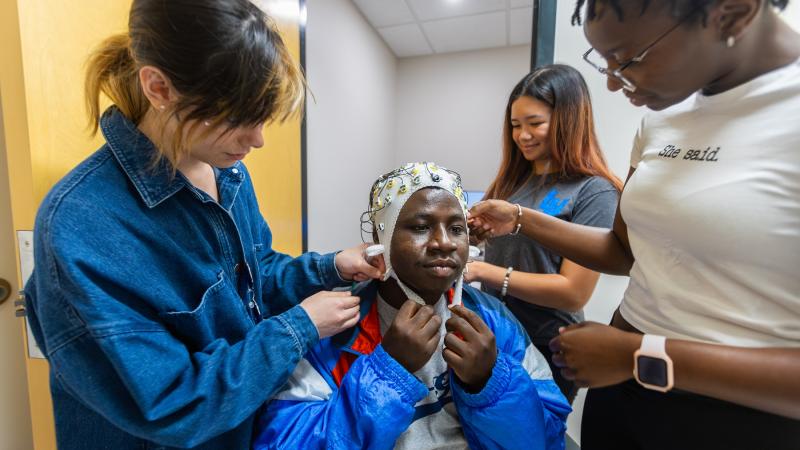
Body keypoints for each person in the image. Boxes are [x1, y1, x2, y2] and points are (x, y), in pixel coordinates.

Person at [23, 1, 383, 448]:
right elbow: (173, 402)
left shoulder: (225, 170)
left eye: (262, 118)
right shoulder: (80, 229)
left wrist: (330, 267)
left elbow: (255, 277)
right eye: (238, 119)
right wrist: (299, 327)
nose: (258, 140)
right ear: (159, 87)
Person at [468, 0, 800, 448]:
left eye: (628, 59)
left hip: (740, 417)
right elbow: (625, 251)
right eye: (602, 62)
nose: (610, 82)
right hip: (621, 388)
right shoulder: (662, 121)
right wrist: (521, 219)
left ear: (734, 11)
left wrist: (638, 355)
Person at [254, 163, 571, 450]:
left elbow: (550, 436)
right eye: (420, 226)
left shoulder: (492, 320)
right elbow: (285, 442)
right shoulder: (332, 327)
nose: (444, 242)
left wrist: (491, 382)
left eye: (457, 228)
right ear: (382, 239)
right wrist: (387, 372)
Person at [464, 65, 621, 403]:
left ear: (568, 119)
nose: (522, 135)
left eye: (535, 124)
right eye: (516, 125)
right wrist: (477, 236)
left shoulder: (594, 192)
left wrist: (481, 271)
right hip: (495, 334)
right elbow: (506, 247)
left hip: (547, 346)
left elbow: (573, 292)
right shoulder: (512, 182)